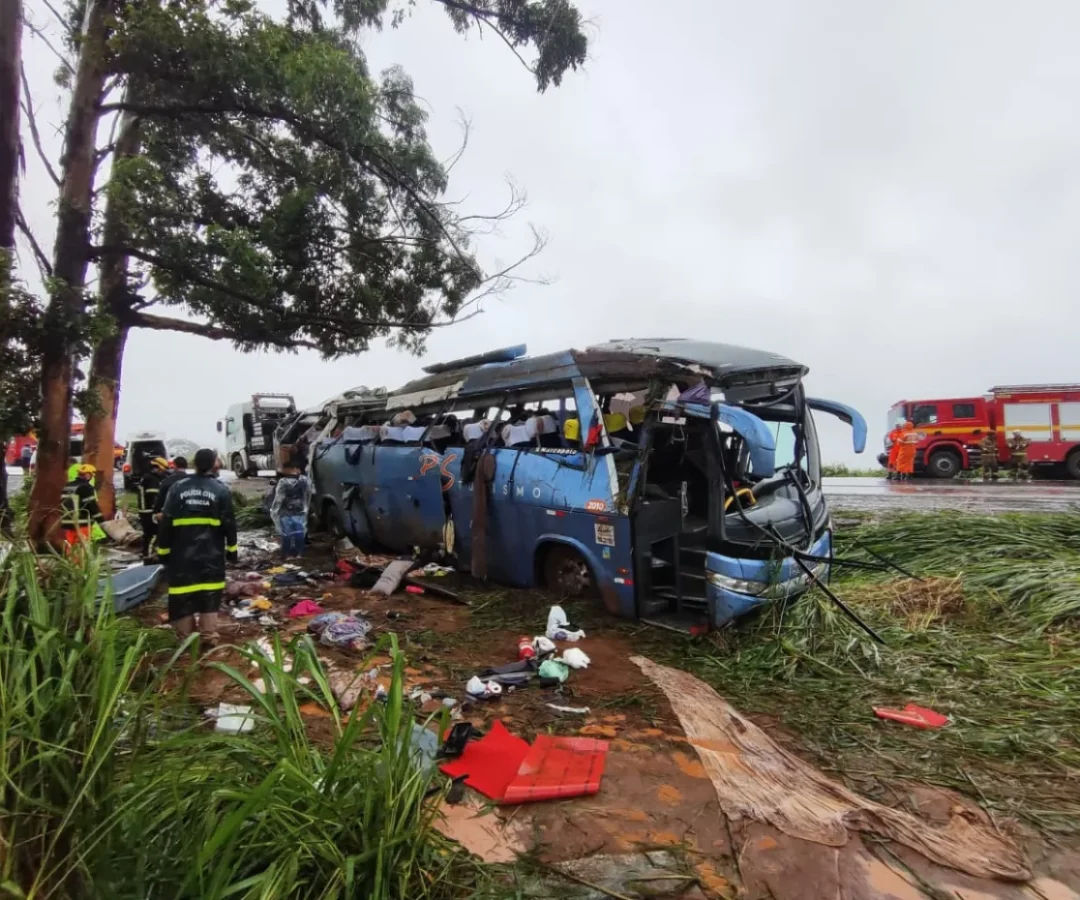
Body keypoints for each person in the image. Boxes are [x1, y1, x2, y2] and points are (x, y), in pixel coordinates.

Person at [155, 449, 237, 641]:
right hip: (211, 555)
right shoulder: (220, 489)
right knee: (210, 593)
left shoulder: (177, 488)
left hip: (181, 554)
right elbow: (229, 523)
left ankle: (185, 639)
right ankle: (208, 636)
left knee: (182, 593)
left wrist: (163, 551)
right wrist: (232, 550)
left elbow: (166, 522)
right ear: (213, 464)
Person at [60, 464, 105, 549]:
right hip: (82, 523)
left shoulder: (68, 486)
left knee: (70, 545)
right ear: (87, 475)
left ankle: (70, 561)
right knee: (81, 547)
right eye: (91, 475)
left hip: (67, 522)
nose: (91, 478)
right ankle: (80, 562)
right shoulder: (86, 487)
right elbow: (92, 506)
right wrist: (101, 520)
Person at [271, 463, 310, 558]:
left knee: (287, 534)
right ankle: (299, 553)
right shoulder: (304, 480)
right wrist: (305, 508)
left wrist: (274, 511)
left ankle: (287, 554)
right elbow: (307, 495)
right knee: (299, 533)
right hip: (300, 511)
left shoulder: (283, 482)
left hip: (286, 512)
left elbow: (279, 499)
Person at [137, 457, 169, 562]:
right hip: (149, 512)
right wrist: (158, 511)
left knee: (148, 535)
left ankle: (147, 554)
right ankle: (148, 557)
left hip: (145, 511)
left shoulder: (147, 477)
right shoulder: (152, 480)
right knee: (153, 535)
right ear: (157, 468)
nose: (163, 473)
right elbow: (154, 498)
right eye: (162, 470)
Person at [153, 456, 188, 521]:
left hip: (170, 517)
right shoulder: (191, 481)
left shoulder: (167, 481)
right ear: (186, 466)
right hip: (187, 516)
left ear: (174, 465)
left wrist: (156, 512)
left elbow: (160, 499)